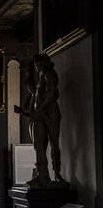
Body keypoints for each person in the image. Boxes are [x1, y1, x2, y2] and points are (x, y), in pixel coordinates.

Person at [14, 54, 64, 186]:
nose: (36, 67)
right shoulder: (40, 78)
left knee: (54, 143)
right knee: (39, 146)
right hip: (39, 114)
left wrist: (40, 108)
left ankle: (57, 173)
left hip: (50, 111)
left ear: (42, 63)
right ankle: (42, 175)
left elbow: (52, 92)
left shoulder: (49, 74)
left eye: (37, 64)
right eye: (35, 64)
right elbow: (37, 97)